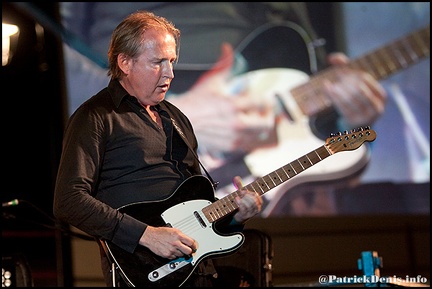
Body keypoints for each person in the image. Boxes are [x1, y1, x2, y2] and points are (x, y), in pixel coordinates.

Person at [59, 3, 387, 217]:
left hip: (254, 200)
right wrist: (164, 115)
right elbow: (54, 40)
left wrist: (345, 114)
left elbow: (299, 51)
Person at [53, 10, 263, 287]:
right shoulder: (96, 116)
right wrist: (147, 235)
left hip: (197, 269)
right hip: (142, 270)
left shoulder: (176, 119)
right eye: (158, 62)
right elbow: (68, 200)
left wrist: (235, 218)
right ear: (125, 63)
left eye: (172, 61)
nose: (170, 73)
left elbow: (197, 211)